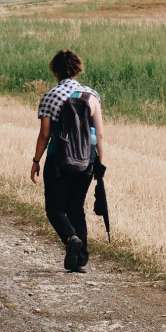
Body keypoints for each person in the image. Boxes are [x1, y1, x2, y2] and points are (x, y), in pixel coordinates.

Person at [31, 50, 104, 272]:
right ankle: (80, 260)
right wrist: (100, 162)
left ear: (55, 70)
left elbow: (45, 134)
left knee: (55, 208)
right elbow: (99, 134)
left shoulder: (50, 96)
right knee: (76, 208)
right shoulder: (91, 95)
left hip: (58, 161)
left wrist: (36, 160)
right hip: (86, 162)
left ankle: (71, 238)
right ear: (78, 68)